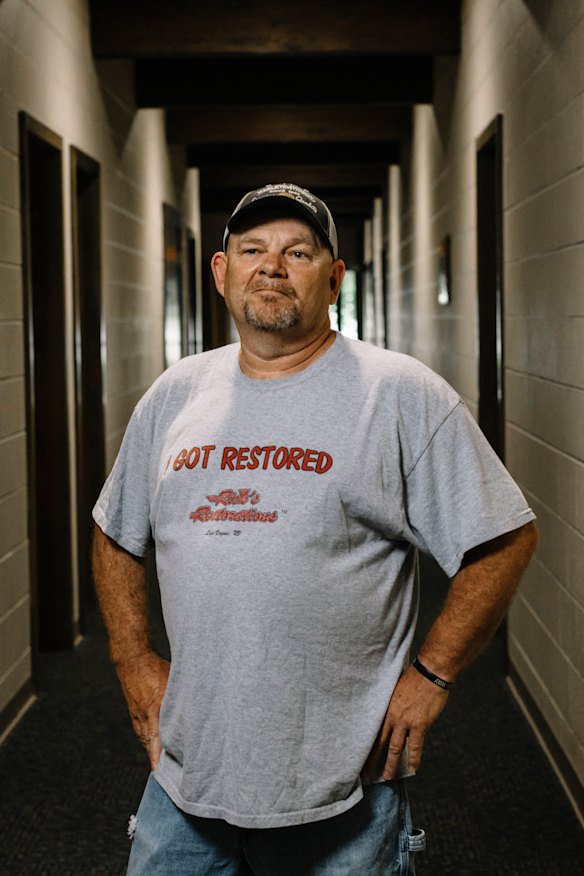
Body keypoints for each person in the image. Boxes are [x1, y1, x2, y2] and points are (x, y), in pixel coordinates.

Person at [92, 182, 538, 875]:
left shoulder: (399, 395)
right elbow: (114, 531)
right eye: (253, 250)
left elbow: (504, 539)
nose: (271, 266)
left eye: (297, 252)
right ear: (221, 271)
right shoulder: (175, 394)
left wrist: (433, 674)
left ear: (334, 280)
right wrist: (132, 660)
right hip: (186, 774)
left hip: (341, 789)